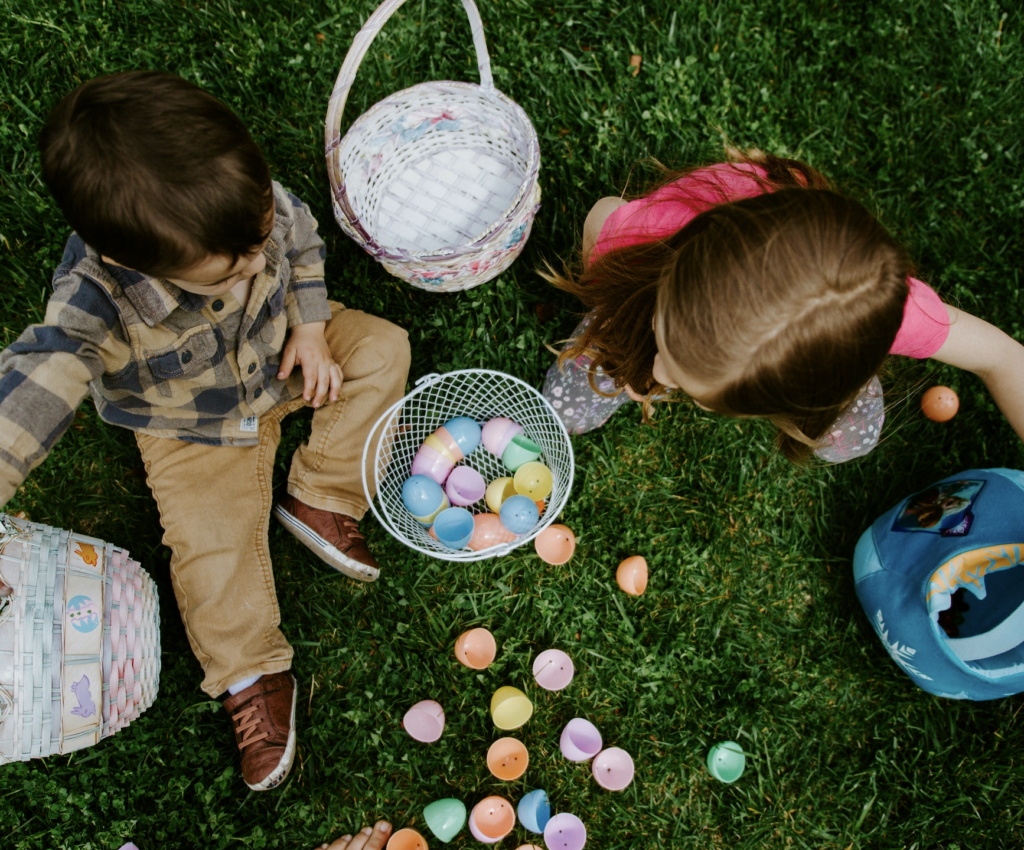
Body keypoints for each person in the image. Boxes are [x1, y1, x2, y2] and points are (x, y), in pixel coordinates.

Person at [0, 71, 411, 790]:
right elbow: (44, 376)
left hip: (286, 355)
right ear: (133, 260)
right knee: (210, 546)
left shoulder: (244, 203)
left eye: (259, 241)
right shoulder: (95, 298)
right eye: (233, 269)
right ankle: (248, 669)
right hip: (190, 425)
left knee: (382, 350)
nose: (260, 260)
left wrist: (312, 329)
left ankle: (323, 494)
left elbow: (301, 239)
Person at [542, 152, 1024, 462]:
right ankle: (627, 334)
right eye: (666, 336)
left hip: (823, 354)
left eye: (681, 375)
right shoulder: (643, 239)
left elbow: (1002, 357)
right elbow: (602, 214)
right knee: (609, 350)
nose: (661, 375)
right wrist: (620, 303)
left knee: (844, 440)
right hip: (661, 267)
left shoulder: (896, 313)